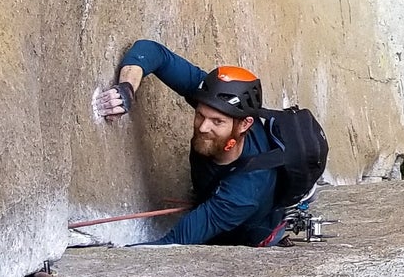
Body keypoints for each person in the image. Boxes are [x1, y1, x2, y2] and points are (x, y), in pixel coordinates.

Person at [92, 40, 291, 246]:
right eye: (200, 115)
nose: (203, 127)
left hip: (247, 234)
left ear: (244, 125)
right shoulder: (213, 96)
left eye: (217, 122)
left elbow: (172, 244)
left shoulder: (244, 192)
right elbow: (151, 51)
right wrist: (127, 88)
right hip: (215, 196)